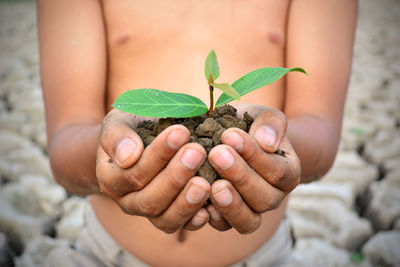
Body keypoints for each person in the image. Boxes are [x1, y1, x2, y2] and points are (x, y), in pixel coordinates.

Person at [37, 0, 357, 266]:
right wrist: (116, 149)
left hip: (263, 257)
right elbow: (66, 143)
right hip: (106, 255)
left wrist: (270, 146)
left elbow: (319, 130)